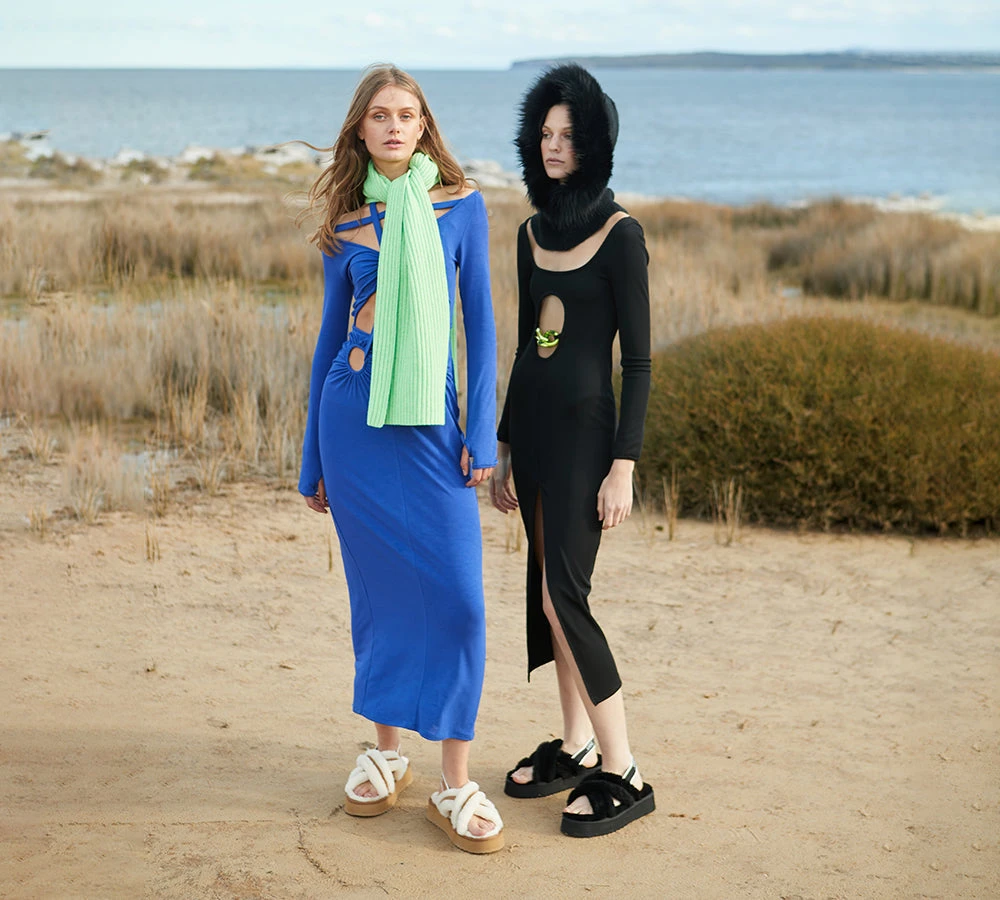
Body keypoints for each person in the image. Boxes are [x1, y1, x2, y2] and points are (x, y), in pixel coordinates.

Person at [298, 64, 503, 854]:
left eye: (405, 115)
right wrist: (311, 458)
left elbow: (480, 325)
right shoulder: (346, 225)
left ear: (423, 128)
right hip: (351, 421)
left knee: (459, 601)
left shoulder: (461, 207)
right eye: (379, 115)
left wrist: (480, 435)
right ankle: (386, 754)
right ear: (361, 128)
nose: (392, 126)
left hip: (431, 426)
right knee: (380, 596)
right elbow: (328, 339)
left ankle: (455, 781)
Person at [490, 64, 655, 837]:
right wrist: (504, 443)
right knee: (546, 598)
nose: (553, 146)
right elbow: (530, 344)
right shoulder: (528, 236)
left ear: (596, 144)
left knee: (567, 598)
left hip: (590, 441)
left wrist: (624, 465)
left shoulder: (622, 236)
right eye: (544, 134)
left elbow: (639, 363)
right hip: (534, 436)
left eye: (568, 135)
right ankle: (577, 744)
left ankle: (625, 769)